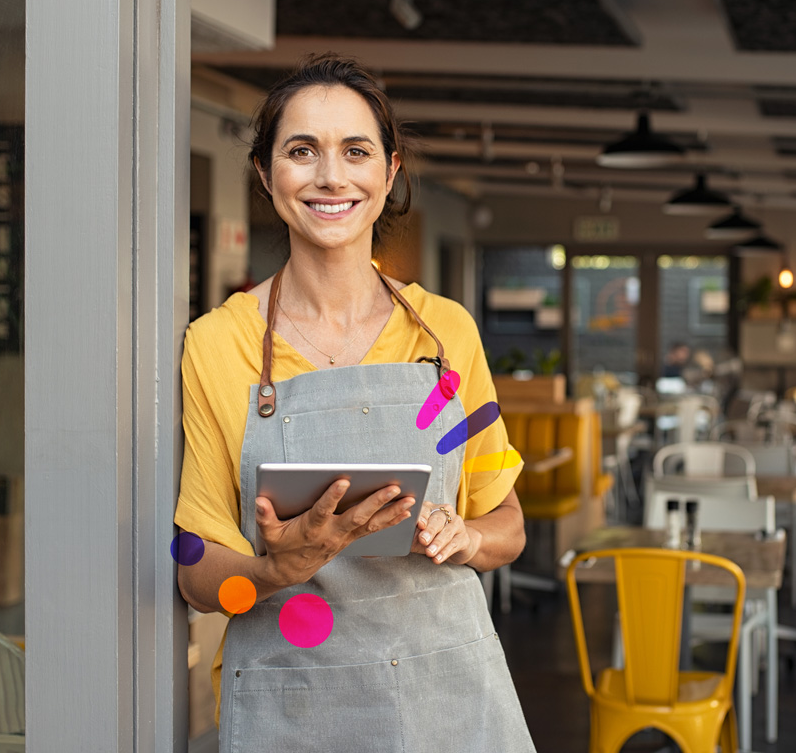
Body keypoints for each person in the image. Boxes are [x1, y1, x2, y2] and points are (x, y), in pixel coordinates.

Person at [174, 54, 535, 751]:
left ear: (389, 171)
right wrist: (274, 569)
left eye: (356, 151)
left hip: (445, 694)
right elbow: (195, 570)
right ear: (265, 173)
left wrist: (469, 538)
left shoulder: (444, 334)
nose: (331, 176)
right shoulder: (220, 345)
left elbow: (508, 523)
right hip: (295, 703)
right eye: (301, 151)